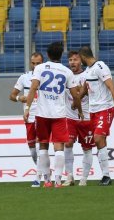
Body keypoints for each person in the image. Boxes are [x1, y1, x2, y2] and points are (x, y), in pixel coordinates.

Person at [24, 42, 82, 188]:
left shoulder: (39, 68)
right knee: (59, 147)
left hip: (42, 113)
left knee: (43, 146)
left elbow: (33, 89)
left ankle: (47, 181)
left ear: (48, 55)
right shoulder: (66, 71)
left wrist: (27, 108)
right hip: (59, 114)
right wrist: (79, 110)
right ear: (61, 55)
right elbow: (75, 94)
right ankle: (57, 181)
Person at [77, 46, 114, 186]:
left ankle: (106, 176)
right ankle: (105, 176)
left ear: (82, 57)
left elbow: (112, 87)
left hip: (105, 108)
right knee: (100, 141)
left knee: (98, 138)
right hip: (93, 111)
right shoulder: (88, 71)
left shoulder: (100, 66)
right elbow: (86, 89)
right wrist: (76, 102)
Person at [9, 52, 44, 187]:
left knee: (42, 146)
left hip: (42, 115)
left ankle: (38, 177)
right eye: (33, 63)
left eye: (38, 63)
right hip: (28, 117)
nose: (35, 66)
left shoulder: (46, 78)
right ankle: (42, 170)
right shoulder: (24, 77)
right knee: (32, 149)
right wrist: (19, 98)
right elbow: (12, 95)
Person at [63, 50, 93, 186]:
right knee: (67, 144)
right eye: (70, 60)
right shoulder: (65, 75)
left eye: (75, 60)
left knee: (86, 148)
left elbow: (82, 96)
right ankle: (69, 176)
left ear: (80, 61)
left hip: (85, 116)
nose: (72, 62)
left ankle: (84, 179)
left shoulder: (87, 75)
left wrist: (78, 97)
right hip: (69, 117)